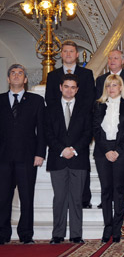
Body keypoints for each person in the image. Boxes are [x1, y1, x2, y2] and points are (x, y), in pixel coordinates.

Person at [45, 40, 95, 209]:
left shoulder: (87, 74)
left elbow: (90, 99)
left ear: (77, 55)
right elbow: (50, 100)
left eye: (71, 51)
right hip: (59, 128)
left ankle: (84, 199)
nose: (68, 54)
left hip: (79, 127)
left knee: (82, 167)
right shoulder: (53, 75)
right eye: (65, 51)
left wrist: (78, 115)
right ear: (61, 54)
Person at [0, 64, 45, 245]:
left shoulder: (36, 101)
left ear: (25, 79)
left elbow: (41, 129)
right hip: (3, 158)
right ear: (8, 79)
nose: (17, 76)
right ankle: (2, 235)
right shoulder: (0, 100)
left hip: (27, 157)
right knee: (3, 198)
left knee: (27, 197)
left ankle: (26, 235)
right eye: (13, 73)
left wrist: (40, 153)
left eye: (20, 73)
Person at [45, 74, 92, 244]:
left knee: (76, 199)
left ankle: (76, 235)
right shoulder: (50, 107)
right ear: (60, 87)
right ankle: (57, 234)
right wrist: (62, 150)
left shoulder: (85, 108)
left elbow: (88, 133)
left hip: (78, 159)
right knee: (59, 199)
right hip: (58, 159)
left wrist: (74, 149)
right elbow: (47, 133)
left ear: (77, 90)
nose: (69, 90)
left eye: (73, 87)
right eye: (66, 86)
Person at [93, 74, 124, 244]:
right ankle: (107, 227)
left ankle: (117, 228)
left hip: (121, 152)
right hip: (102, 151)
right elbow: (95, 129)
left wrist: (117, 151)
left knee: (119, 190)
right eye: (109, 86)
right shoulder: (98, 105)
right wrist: (106, 150)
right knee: (106, 190)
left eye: (115, 85)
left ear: (120, 87)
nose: (111, 89)